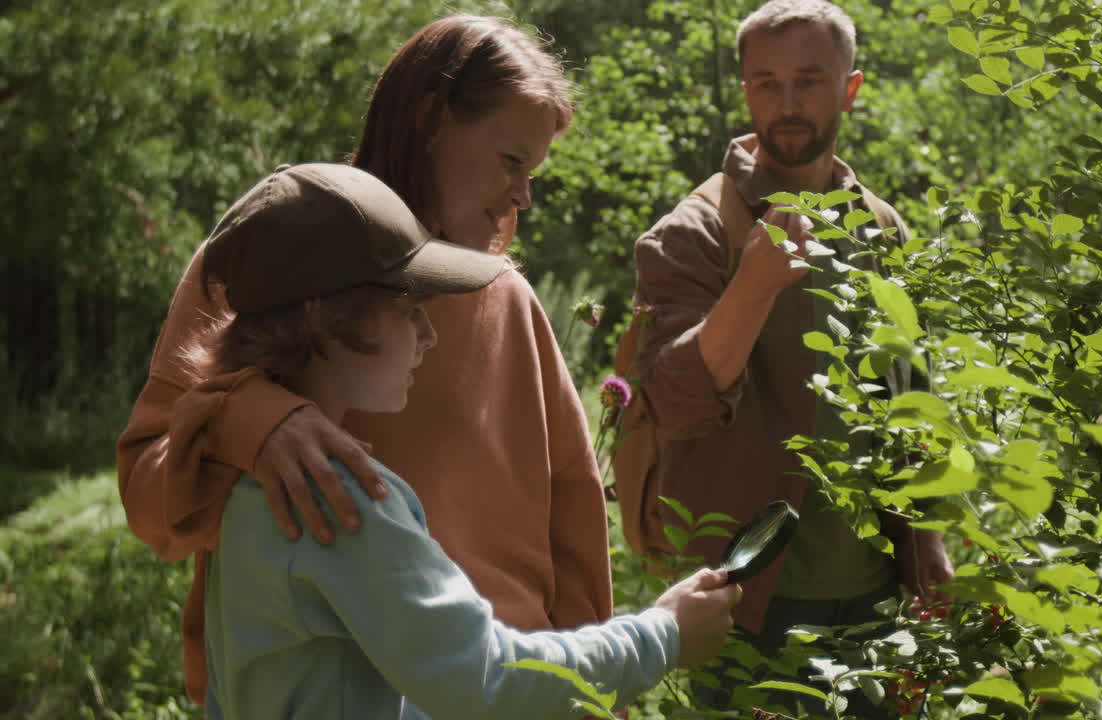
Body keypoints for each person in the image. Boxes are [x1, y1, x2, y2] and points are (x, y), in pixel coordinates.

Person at [116, 15, 619, 704]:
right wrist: (252, 421)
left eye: (532, 171)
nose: (523, 196)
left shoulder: (509, 300)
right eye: (510, 162)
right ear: (431, 121)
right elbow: (148, 500)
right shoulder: (265, 257)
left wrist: (592, 701)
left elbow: (575, 523)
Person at [179, 161, 740, 718]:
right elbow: (486, 679)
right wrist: (663, 634)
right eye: (407, 310)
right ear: (325, 319)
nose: (428, 334)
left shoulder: (244, 472)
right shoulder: (337, 503)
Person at [623, 0, 955, 712]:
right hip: (749, 603)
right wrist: (754, 284)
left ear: (851, 88)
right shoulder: (695, 231)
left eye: (809, 80)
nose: (788, 103)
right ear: (745, 90)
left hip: (873, 597)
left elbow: (908, 392)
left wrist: (923, 535)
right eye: (766, 83)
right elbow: (675, 400)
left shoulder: (880, 226)